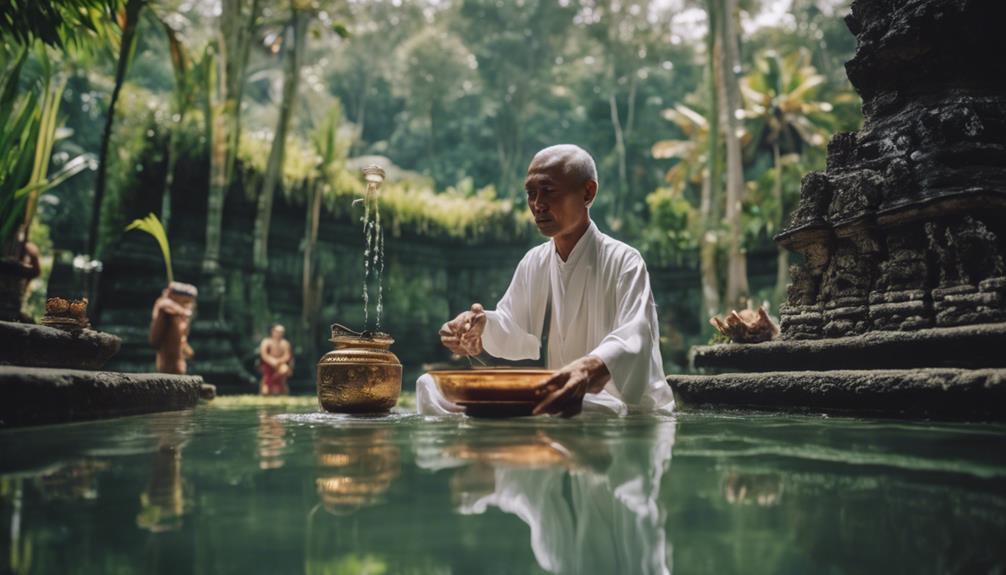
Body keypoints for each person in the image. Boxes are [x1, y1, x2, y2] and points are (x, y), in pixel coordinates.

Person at [417, 144, 674, 417]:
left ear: (588, 193)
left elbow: (636, 335)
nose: (537, 205)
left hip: (622, 408)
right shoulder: (534, 262)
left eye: (548, 191)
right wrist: (480, 327)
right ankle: (483, 451)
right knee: (429, 387)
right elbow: (512, 326)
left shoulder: (625, 261)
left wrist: (588, 368)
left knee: (569, 407)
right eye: (531, 193)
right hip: (564, 403)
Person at [149, 282, 197, 374]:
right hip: (169, 364)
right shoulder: (167, 310)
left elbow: (181, 339)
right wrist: (182, 311)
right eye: (187, 302)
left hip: (178, 364)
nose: (191, 306)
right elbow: (155, 340)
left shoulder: (181, 317)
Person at [260, 324, 293, 395]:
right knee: (265, 391)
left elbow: (287, 356)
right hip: (268, 365)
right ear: (273, 331)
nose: (279, 334)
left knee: (285, 369)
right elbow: (264, 354)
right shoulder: (266, 341)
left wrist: (278, 361)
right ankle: (267, 384)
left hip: (280, 365)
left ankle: (277, 385)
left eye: (281, 332)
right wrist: (272, 361)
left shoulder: (285, 343)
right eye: (278, 331)